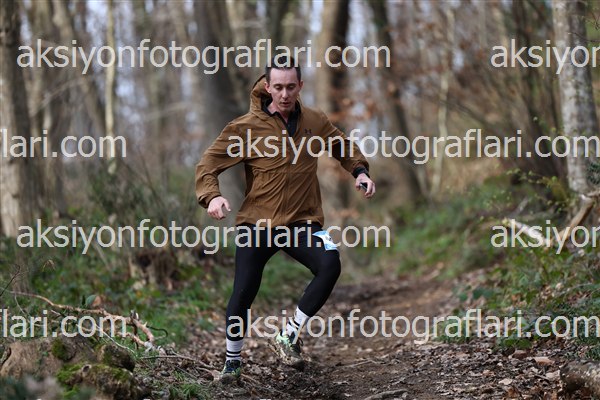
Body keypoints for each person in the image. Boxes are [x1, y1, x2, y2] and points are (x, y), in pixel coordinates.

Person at [195, 55, 375, 383]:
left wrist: (360, 171)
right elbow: (208, 165)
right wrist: (212, 196)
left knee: (330, 263)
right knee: (244, 290)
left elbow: (342, 146)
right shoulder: (244, 128)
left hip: (301, 222)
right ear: (267, 87)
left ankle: (288, 335)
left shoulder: (314, 122)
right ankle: (232, 364)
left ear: (300, 86)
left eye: (291, 87)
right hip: (257, 224)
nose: (284, 94)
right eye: (278, 87)